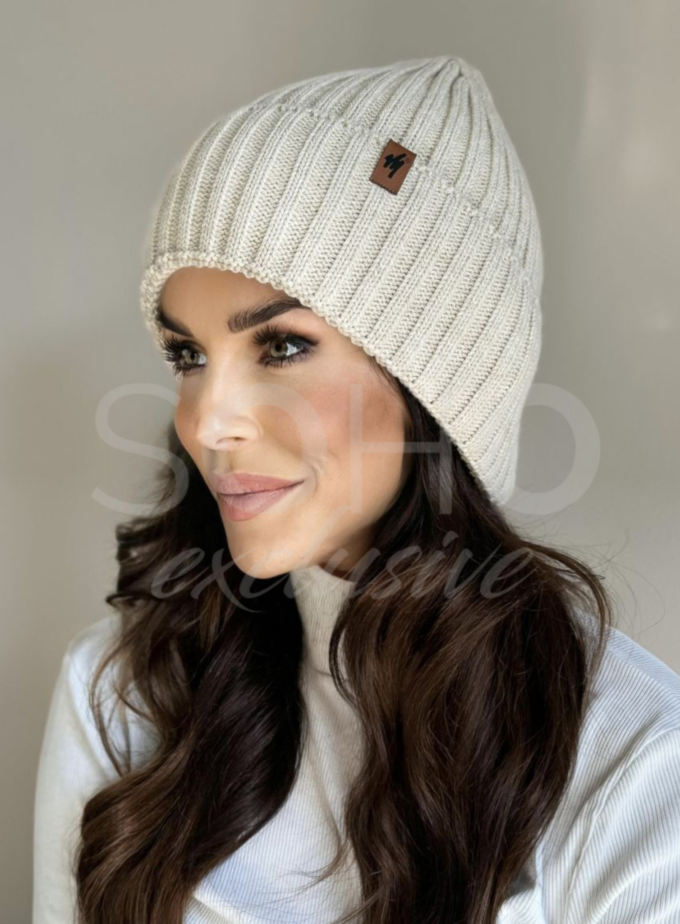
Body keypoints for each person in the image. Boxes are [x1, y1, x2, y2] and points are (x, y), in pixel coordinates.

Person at [33, 55, 680, 924]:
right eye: (188, 355)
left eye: (281, 347)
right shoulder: (125, 691)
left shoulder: (633, 768)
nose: (207, 422)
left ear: (437, 388)